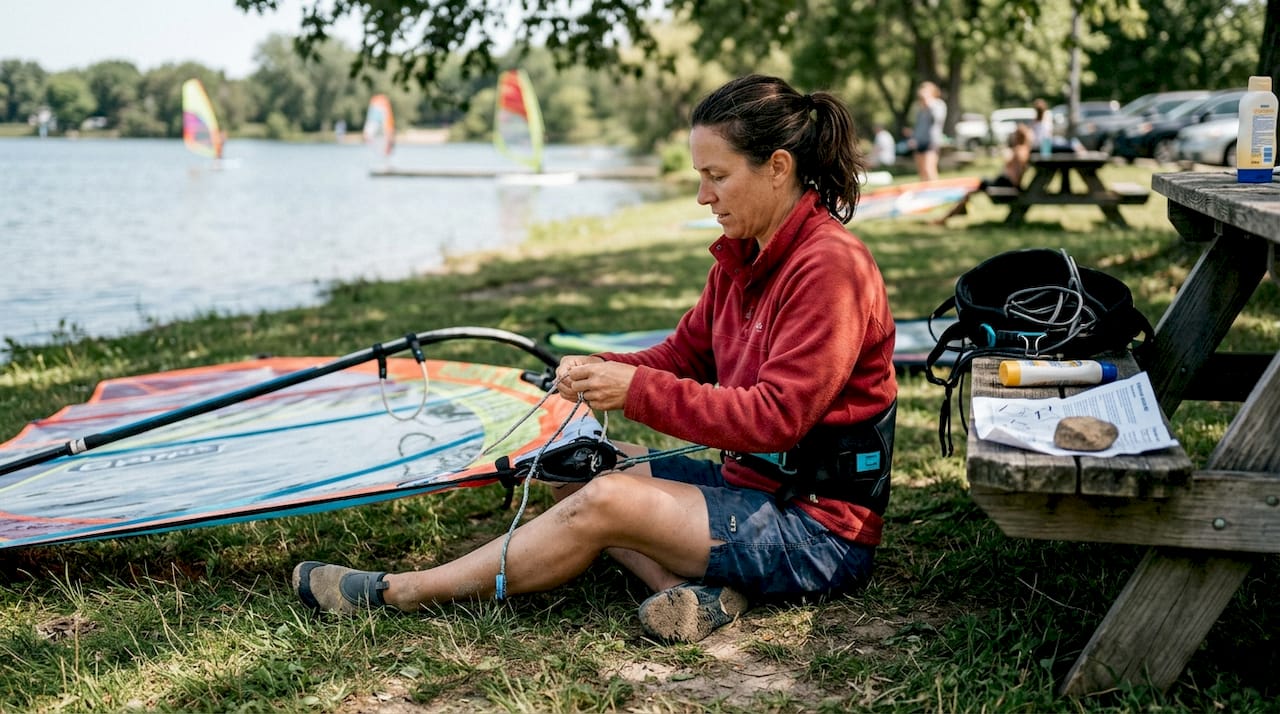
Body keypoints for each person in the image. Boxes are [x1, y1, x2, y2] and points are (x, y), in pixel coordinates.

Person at [291, 74, 899, 644]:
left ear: (778, 168)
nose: (701, 195)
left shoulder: (830, 269)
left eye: (716, 175)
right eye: (699, 175)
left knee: (607, 500)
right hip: (751, 491)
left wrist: (631, 389)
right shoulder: (743, 259)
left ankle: (400, 593)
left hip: (818, 532)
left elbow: (776, 419)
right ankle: (697, 595)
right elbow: (682, 355)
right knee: (571, 466)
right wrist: (597, 369)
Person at [932, 124, 1033, 226]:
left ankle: (947, 217)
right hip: (1004, 182)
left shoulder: (1019, 151)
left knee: (973, 188)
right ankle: (954, 212)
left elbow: (1016, 173)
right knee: (971, 190)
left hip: (1005, 183)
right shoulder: (1024, 150)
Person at [910, 81, 946, 180]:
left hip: (932, 141)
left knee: (929, 169)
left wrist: (929, 105)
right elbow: (918, 126)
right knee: (922, 171)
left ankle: (936, 192)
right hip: (920, 141)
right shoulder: (921, 109)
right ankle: (924, 193)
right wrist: (914, 138)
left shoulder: (938, 105)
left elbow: (937, 120)